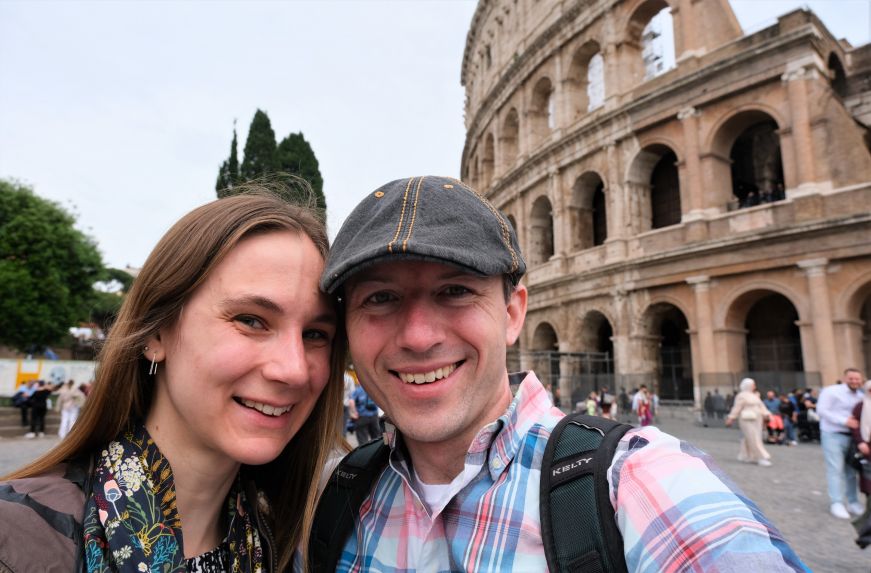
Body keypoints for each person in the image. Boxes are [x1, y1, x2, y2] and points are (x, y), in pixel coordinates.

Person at [312, 175, 807, 571]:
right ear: (348, 331)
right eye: (380, 298)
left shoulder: (637, 485)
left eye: (455, 291)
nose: (418, 336)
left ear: (511, 314)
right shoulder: (331, 500)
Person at [0, 189, 346, 571]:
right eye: (251, 320)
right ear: (156, 334)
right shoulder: (17, 540)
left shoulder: (293, 542)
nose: (295, 370)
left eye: (315, 334)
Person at [818, 368, 866, 519]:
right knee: (835, 469)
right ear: (845, 378)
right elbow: (822, 410)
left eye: (857, 379)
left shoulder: (861, 395)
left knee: (851, 471)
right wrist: (844, 421)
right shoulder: (831, 391)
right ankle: (836, 503)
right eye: (851, 378)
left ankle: (852, 501)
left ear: (861, 380)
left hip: (852, 437)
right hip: (833, 434)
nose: (854, 381)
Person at [725, 378, 772, 466]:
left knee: (750, 437)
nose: (754, 386)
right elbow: (737, 408)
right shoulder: (741, 396)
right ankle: (761, 457)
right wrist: (731, 418)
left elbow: (761, 406)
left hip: (757, 419)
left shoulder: (755, 395)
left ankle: (746, 455)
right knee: (753, 437)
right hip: (746, 419)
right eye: (753, 384)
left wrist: (766, 414)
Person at [850, 380, 871, 547]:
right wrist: (860, 442)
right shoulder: (860, 406)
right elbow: (855, 426)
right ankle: (864, 531)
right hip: (867, 451)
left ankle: (864, 531)